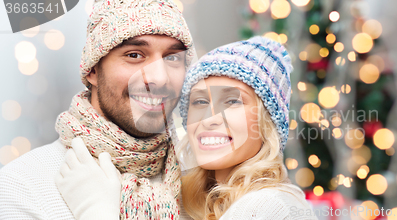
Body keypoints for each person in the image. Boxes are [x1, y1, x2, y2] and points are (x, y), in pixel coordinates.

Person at [55, 36, 318, 219]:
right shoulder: (202, 202)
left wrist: (96, 211)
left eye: (232, 101)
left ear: (266, 122)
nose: (210, 117)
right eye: (200, 101)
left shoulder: (267, 206)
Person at [0, 0, 194, 219]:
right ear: (92, 70)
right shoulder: (22, 187)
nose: (159, 78)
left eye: (173, 58)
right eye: (134, 55)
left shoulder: (203, 187)